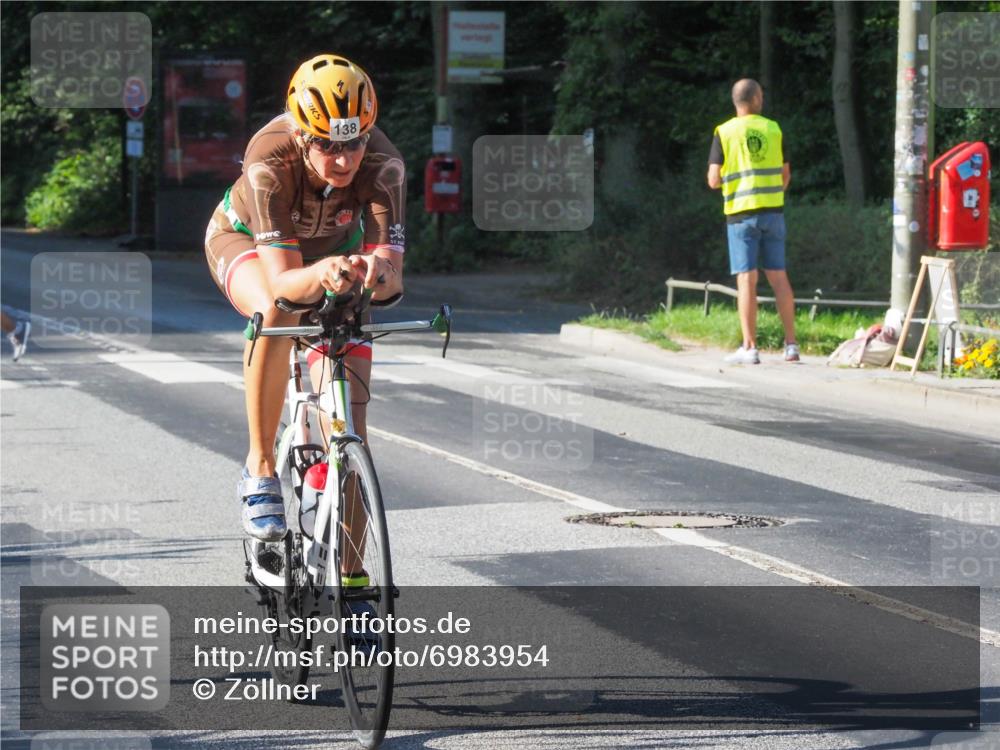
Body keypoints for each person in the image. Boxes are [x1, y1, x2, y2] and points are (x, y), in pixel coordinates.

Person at [204, 54, 405, 581]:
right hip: (246, 244)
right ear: (301, 132)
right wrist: (329, 272)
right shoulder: (269, 159)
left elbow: (392, 278)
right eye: (328, 145)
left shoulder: (385, 165)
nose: (344, 160)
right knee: (277, 313)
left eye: (356, 141)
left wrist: (373, 270)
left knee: (352, 432)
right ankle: (260, 471)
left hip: (330, 262)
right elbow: (284, 285)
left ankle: (356, 582)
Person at [707, 78, 799, 364]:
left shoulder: (724, 132)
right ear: (758, 99)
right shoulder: (773, 129)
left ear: (736, 102)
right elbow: (786, 176)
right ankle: (792, 345)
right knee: (779, 277)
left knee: (747, 279)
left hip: (740, 216)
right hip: (773, 212)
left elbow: (712, 180)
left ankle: (750, 347)